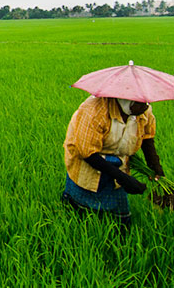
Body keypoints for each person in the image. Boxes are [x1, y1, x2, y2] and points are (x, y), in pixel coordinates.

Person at [62, 96, 165, 227]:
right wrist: (124, 179)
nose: (144, 108)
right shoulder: (95, 110)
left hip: (118, 161)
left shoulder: (143, 110)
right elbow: (87, 153)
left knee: (118, 219)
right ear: (126, 100)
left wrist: (156, 167)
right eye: (139, 104)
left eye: (146, 103)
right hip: (88, 159)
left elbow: (147, 138)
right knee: (81, 208)